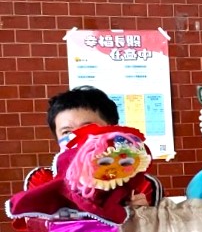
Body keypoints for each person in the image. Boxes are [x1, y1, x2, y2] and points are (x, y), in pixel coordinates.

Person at [26, 86, 160, 207]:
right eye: (66, 132)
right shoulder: (41, 180)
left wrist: (145, 215)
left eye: (88, 128)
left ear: (113, 129)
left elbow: (158, 226)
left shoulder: (144, 184)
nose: (77, 137)